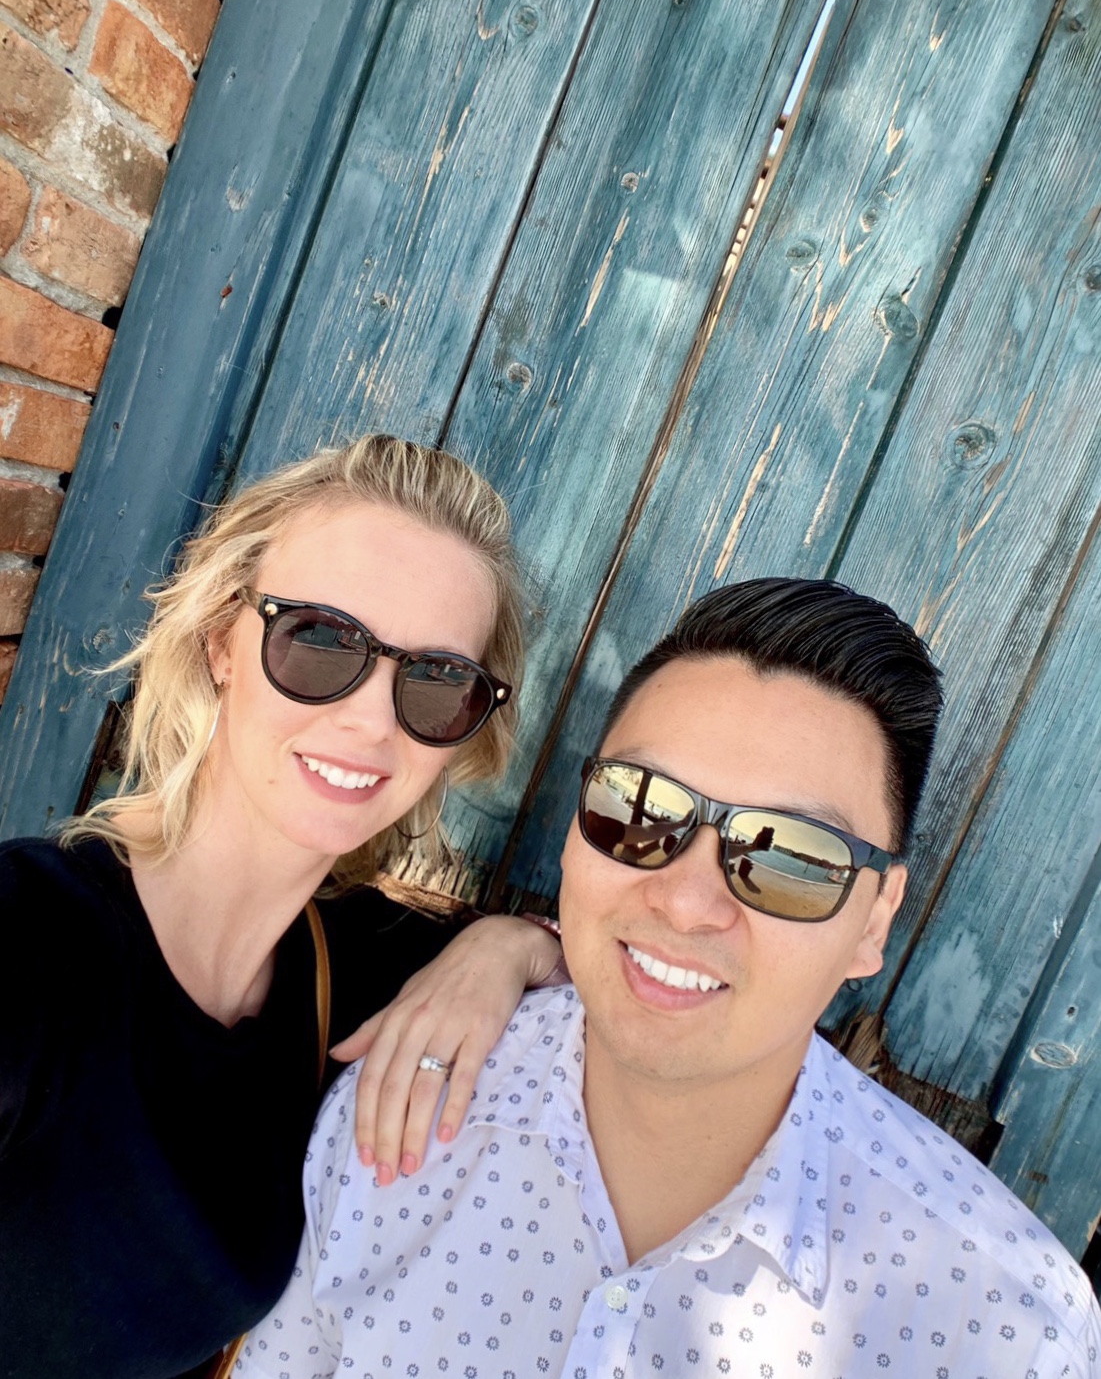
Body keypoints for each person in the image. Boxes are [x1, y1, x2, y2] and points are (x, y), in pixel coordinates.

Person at [238, 576, 1101, 1378]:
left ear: (873, 919)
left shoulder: (1007, 1329)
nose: (688, 902)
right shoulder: (396, 1117)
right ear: (575, 832)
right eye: (639, 805)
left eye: (793, 858)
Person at [0, 434, 564, 1379]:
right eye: (320, 640)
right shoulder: (28, 936)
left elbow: (617, 964)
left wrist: (505, 947)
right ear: (223, 641)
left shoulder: (361, 968)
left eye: (434, 679)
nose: (372, 719)